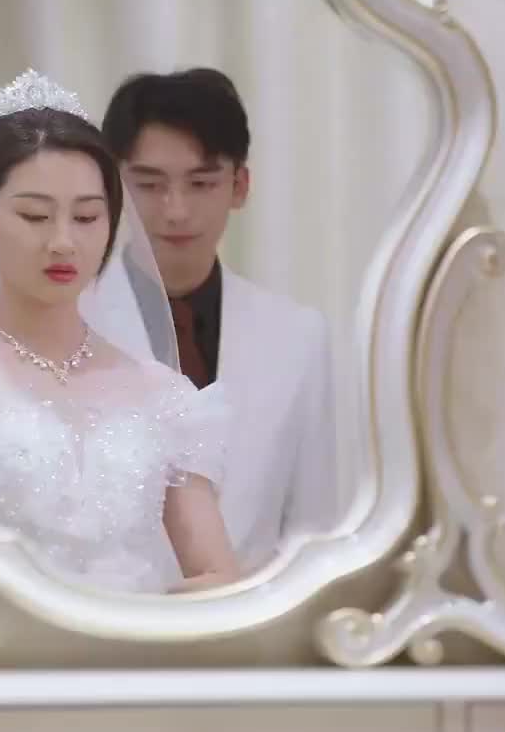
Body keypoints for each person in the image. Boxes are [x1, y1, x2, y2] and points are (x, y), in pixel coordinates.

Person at [0, 71, 238, 595]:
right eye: (35, 216)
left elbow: (217, 578)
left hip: (135, 645)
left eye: (88, 217)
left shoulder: (162, 394)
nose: (63, 242)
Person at [102, 68, 337, 575]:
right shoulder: (66, 323)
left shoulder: (299, 336)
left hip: (257, 619)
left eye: (201, 183)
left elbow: (314, 528)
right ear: (113, 186)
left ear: (239, 185)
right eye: (149, 184)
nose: (176, 210)